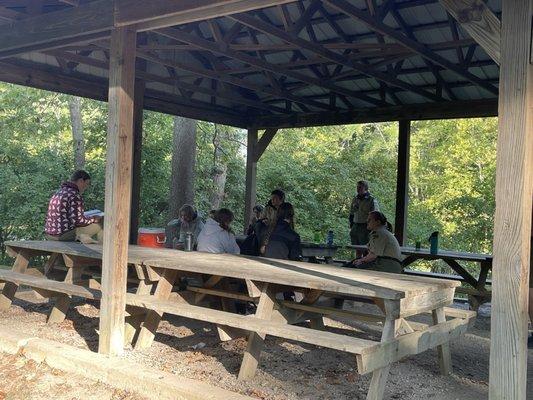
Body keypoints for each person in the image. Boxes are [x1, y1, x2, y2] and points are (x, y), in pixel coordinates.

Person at [44, 170, 103, 244]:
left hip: (49, 235)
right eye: (87, 184)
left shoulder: (59, 192)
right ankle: (102, 252)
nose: (86, 187)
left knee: (83, 231)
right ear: (81, 181)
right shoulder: (74, 195)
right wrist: (94, 219)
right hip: (62, 236)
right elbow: (78, 221)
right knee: (102, 223)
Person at [349, 180, 379, 257]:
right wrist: (351, 225)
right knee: (356, 247)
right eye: (357, 187)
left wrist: (371, 227)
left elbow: (376, 214)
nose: (358, 189)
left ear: (365, 188)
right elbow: (352, 213)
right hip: (355, 225)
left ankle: (365, 264)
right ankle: (357, 262)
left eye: (360, 187)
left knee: (366, 248)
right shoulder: (355, 199)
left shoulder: (371, 199)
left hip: (366, 226)